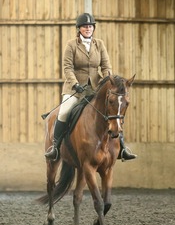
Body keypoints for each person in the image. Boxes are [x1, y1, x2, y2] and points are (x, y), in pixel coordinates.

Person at [45, 13, 137, 161]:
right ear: (79, 29)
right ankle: (55, 147)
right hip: (74, 89)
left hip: (96, 88)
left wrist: (110, 81)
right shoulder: (71, 45)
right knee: (64, 112)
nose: (88, 29)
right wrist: (75, 84)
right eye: (84, 26)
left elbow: (106, 65)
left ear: (93, 28)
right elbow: (67, 67)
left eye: (90, 26)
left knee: (114, 112)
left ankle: (122, 148)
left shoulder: (99, 44)